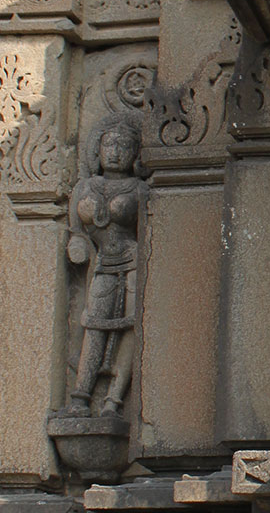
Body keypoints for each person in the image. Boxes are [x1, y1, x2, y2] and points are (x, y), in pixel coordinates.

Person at [55, 118, 147, 419]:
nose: (115, 151)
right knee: (93, 325)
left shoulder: (139, 187)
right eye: (109, 144)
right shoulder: (85, 186)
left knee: (131, 328)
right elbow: (76, 230)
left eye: (124, 146)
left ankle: (113, 400)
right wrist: (78, 244)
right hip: (102, 264)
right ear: (98, 148)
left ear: (135, 154)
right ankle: (81, 396)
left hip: (134, 262)